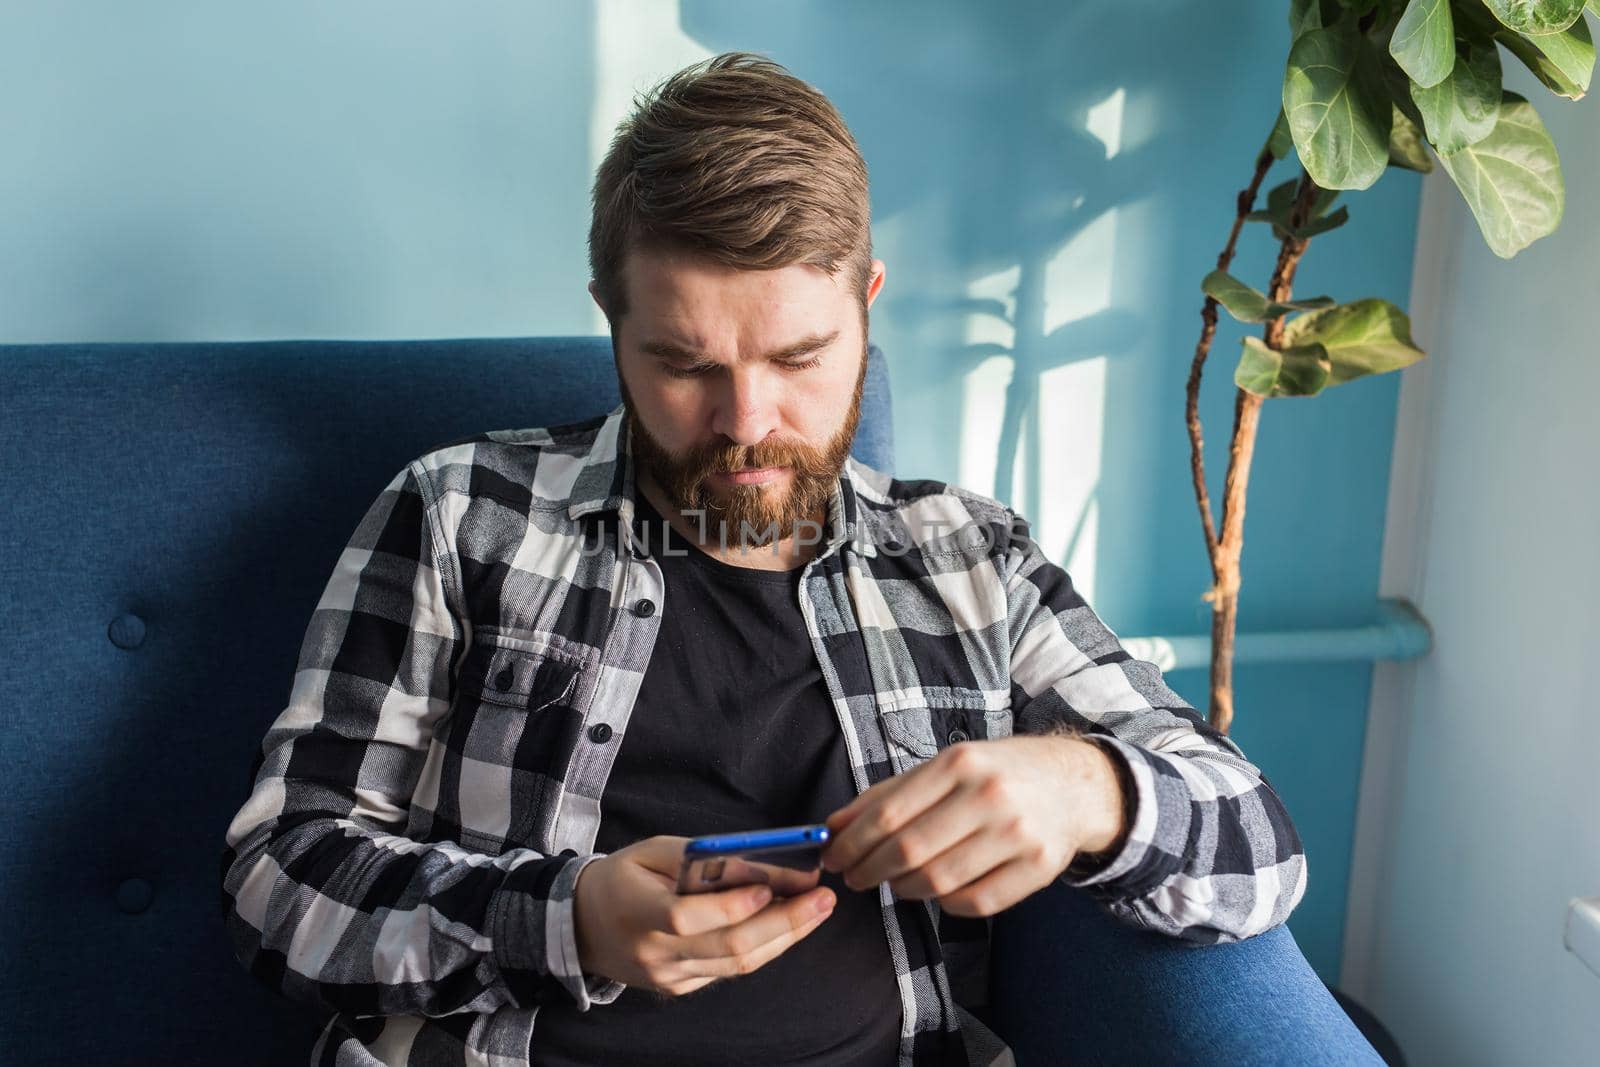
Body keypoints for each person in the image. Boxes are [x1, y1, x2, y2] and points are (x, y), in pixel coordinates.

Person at [220, 51, 1306, 1067]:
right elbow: (279, 881)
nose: (746, 421)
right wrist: (570, 920)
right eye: (683, 363)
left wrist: (1089, 788)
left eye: (798, 357)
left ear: (865, 305)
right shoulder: (463, 514)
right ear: (611, 316)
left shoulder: (968, 558)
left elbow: (1262, 848)